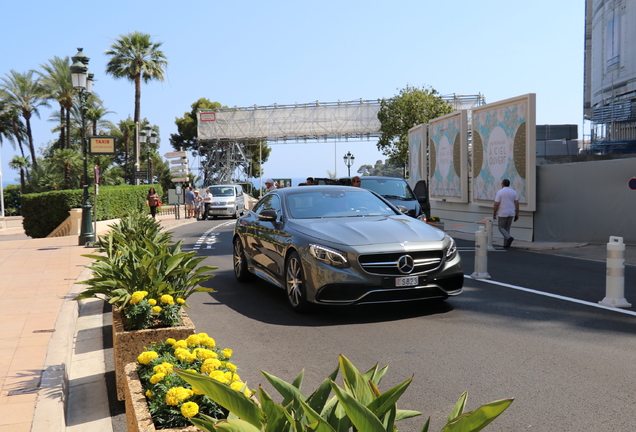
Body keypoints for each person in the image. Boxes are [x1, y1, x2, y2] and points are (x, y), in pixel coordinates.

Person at [493, 179, 519, 248]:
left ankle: (509, 238)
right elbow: (516, 203)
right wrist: (517, 214)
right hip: (511, 212)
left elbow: (496, 204)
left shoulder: (500, 192)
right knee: (507, 228)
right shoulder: (513, 192)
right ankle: (506, 244)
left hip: (503, 212)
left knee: (501, 227)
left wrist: (494, 214)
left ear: (503, 184)